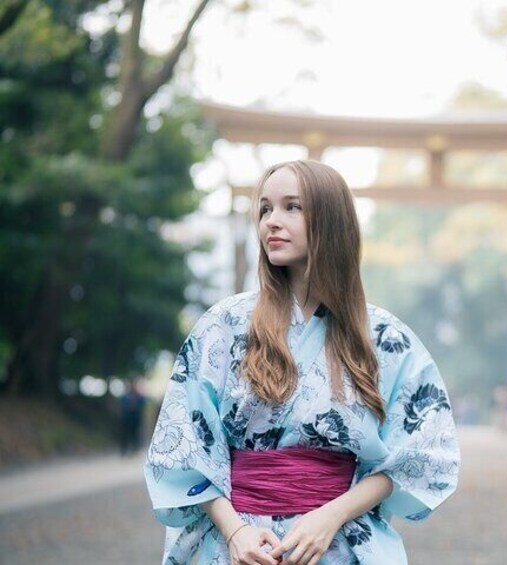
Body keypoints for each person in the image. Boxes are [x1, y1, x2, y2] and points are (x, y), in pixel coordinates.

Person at [144, 160, 461, 564]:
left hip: (339, 541)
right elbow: (185, 443)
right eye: (265, 209)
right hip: (237, 545)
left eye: (292, 207)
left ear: (331, 220)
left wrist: (332, 515)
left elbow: (422, 451)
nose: (272, 222)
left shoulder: (384, 338)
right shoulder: (223, 326)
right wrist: (236, 531)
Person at [119, 379, 146, 456]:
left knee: (135, 435)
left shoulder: (139, 397)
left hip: (135, 420)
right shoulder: (125, 397)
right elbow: (123, 406)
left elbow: (142, 405)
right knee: (125, 436)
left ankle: (134, 450)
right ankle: (124, 451)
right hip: (126, 420)